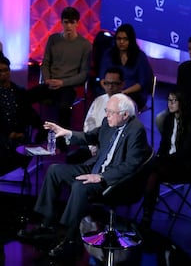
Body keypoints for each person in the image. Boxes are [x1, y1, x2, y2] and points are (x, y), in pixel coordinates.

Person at [17, 93, 151, 258]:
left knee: (79, 187)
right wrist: (66, 133)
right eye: (106, 110)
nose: (106, 115)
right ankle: (47, 225)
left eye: (110, 112)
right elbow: (89, 137)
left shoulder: (136, 130)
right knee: (54, 170)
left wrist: (101, 177)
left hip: (115, 180)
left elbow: (131, 165)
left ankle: (69, 239)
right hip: (96, 168)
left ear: (124, 114)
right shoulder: (108, 122)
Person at [0, 50, 45, 203]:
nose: (3, 74)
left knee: (22, 152)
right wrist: (8, 134)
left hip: (19, 136)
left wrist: (43, 128)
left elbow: (30, 114)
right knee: (0, 149)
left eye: (6, 70)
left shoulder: (18, 91)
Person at [140, 90, 191, 229]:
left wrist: (162, 160)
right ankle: (147, 213)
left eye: (174, 101)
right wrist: (161, 158)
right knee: (152, 172)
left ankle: (146, 210)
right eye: (169, 100)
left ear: (182, 102)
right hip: (166, 164)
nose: (170, 104)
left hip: (183, 166)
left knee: (150, 169)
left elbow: (185, 152)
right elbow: (164, 144)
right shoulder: (168, 119)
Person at [27, 6, 92, 129]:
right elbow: (45, 63)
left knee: (64, 108)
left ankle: (62, 142)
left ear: (77, 23)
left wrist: (62, 82)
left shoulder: (85, 45)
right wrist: (47, 80)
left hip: (67, 87)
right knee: (22, 98)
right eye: (66, 22)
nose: (68, 26)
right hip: (50, 84)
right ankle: (40, 129)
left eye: (72, 22)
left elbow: (83, 75)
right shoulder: (53, 39)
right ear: (61, 22)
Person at [66, 67, 124, 164]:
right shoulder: (99, 100)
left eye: (114, 84)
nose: (110, 87)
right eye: (107, 83)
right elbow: (89, 123)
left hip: (113, 150)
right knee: (72, 158)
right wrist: (92, 147)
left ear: (122, 84)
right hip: (93, 144)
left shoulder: (127, 105)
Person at [99, 23, 153, 110]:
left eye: (125, 39)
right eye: (119, 39)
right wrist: (109, 90)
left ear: (131, 40)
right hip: (110, 91)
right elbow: (102, 78)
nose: (121, 42)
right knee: (101, 103)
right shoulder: (108, 54)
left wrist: (122, 93)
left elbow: (141, 83)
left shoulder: (140, 56)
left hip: (133, 93)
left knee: (120, 105)